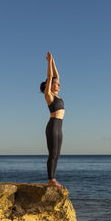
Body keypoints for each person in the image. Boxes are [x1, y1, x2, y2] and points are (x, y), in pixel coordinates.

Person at [40, 52, 65, 188]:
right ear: (50, 86)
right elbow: (50, 76)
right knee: (52, 153)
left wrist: (53, 61)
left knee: (57, 154)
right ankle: (51, 180)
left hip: (59, 127)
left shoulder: (58, 95)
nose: (58, 84)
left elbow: (56, 75)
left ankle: (53, 179)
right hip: (53, 126)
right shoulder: (49, 95)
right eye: (56, 84)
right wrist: (48, 63)